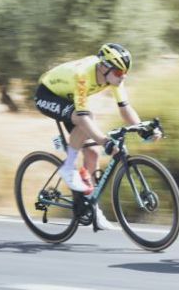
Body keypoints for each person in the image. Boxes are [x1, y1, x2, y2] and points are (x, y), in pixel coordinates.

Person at [34, 43, 162, 230]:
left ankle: (91, 206)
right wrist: (105, 141)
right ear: (104, 67)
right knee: (86, 119)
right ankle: (68, 167)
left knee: (93, 153)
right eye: (119, 73)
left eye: (125, 72)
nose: (123, 76)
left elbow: (125, 108)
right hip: (47, 95)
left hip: (69, 100)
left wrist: (143, 128)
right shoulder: (83, 75)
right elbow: (84, 118)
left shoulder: (113, 77)